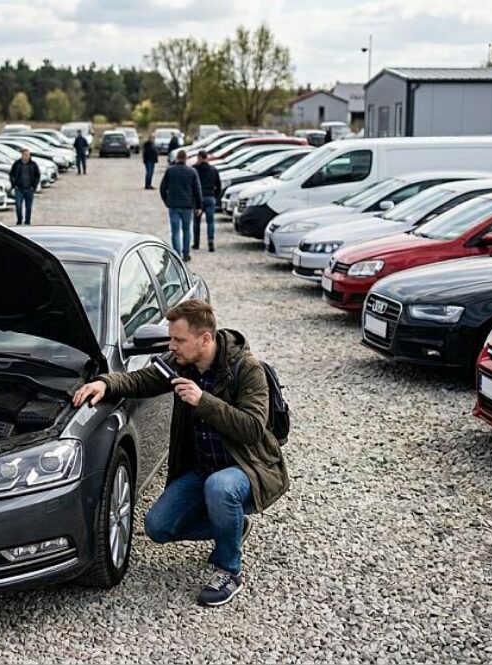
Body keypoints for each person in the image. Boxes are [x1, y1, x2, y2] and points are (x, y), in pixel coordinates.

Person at [71, 299, 289, 607]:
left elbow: (253, 428)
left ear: (205, 339)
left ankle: (230, 569)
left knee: (221, 487)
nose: (171, 346)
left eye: (178, 340)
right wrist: (105, 384)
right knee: (158, 527)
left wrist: (203, 401)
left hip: (244, 468)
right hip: (203, 469)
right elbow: (141, 380)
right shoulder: (181, 363)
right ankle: (234, 525)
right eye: (171, 338)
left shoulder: (247, 368)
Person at [159, 149, 202, 262]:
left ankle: (177, 254)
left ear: (177, 158)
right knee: (187, 230)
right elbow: (197, 190)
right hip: (187, 205)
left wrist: (166, 201)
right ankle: (186, 253)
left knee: (175, 231)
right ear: (186, 158)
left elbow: (162, 188)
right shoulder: (192, 172)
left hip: (173, 205)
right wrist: (199, 206)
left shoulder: (170, 171)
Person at [192, 150, 221, 252]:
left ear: (200, 157)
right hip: (210, 197)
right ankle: (210, 242)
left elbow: (192, 185)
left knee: (196, 221)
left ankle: (196, 243)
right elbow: (219, 185)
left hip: (198, 199)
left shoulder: (194, 169)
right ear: (207, 157)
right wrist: (215, 196)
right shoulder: (213, 170)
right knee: (210, 222)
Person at [8, 149, 40, 225]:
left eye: (28, 155)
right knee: (18, 206)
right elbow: (12, 174)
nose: (27, 157)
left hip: (29, 188)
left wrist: (34, 186)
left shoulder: (33, 164)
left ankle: (27, 221)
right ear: (22, 155)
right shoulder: (17, 164)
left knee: (28, 207)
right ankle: (19, 221)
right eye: (25, 155)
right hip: (19, 188)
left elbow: (37, 175)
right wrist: (14, 185)